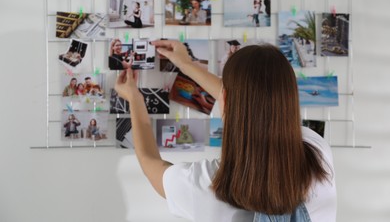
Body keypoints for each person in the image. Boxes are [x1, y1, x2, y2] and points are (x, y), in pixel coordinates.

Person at [114, 40, 336, 222]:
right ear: (289, 98)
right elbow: (247, 99)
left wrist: (135, 99)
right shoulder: (317, 149)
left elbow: (149, 160)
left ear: (225, 100)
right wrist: (186, 64)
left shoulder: (207, 184)